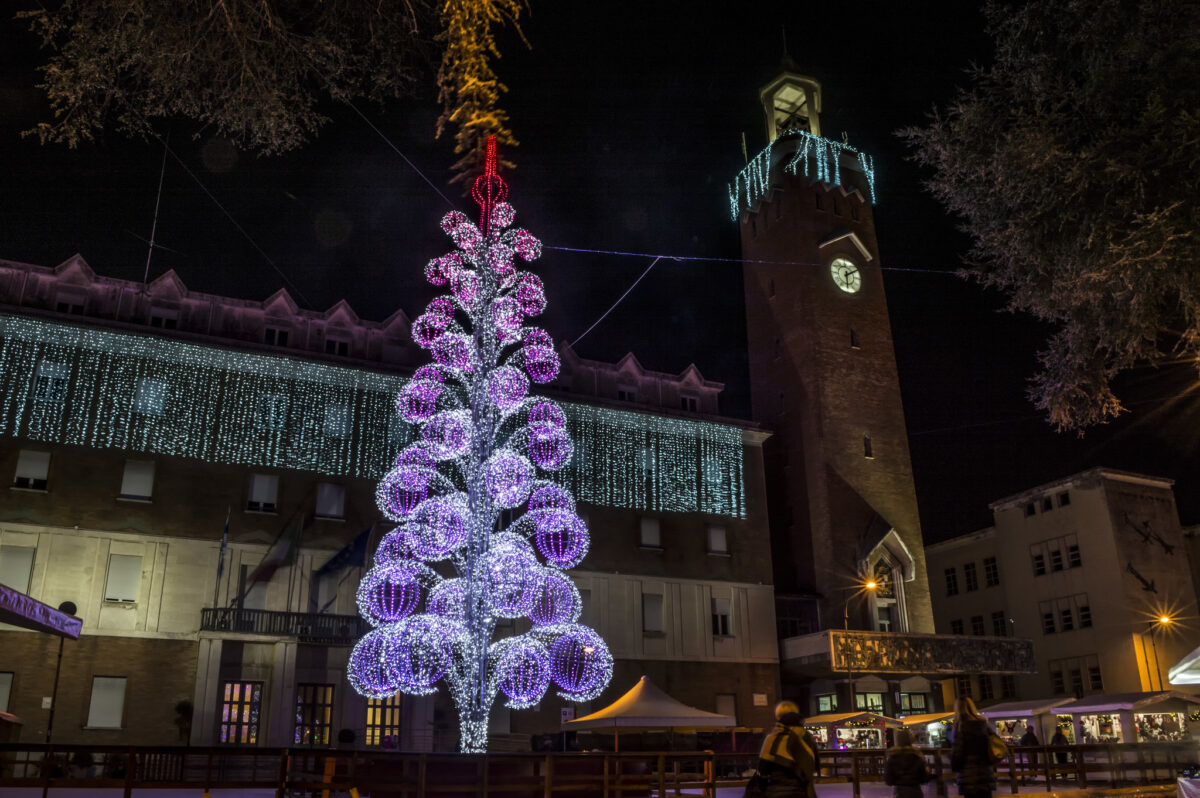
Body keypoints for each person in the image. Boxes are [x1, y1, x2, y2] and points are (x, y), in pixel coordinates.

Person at [757, 700, 818, 798]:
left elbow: (762, 768)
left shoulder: (773, 737)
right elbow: (815, 764)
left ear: (778, 717)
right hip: (802, 791)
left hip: (776, 791)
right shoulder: (806, 737)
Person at [950, 696, 996, 798]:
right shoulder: (983, 723)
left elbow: (957, 753)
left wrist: (954, 766)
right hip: (985, 774)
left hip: (969, 777)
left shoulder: (960, 726)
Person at [885, 728, 932, 798]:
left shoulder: (893, 758)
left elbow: (889, 780)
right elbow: (924, 779)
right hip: (915, 792)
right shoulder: (917, 756)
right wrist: (928, 772)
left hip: (900, 792)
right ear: (911, 740)